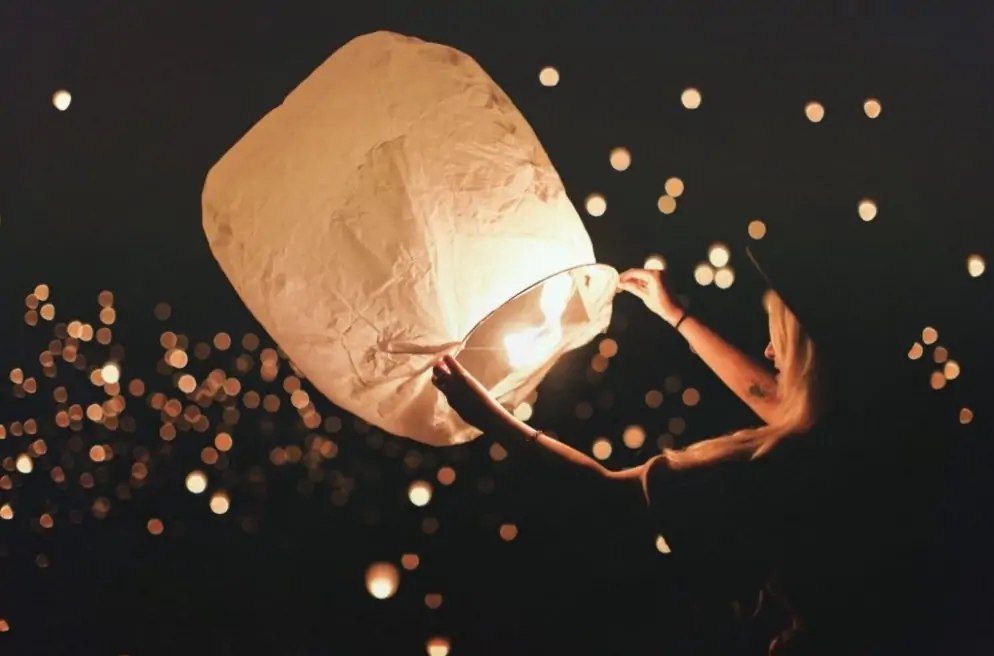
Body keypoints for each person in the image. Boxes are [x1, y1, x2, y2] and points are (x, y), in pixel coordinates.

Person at [432, 205, 948, 654]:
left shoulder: (771, 468)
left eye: (780, 343)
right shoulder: (856, 435)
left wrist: (489, 417)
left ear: (815, 358)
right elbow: (775, 396)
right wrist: (676, 315)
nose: (768, 354)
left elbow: (607, 495)